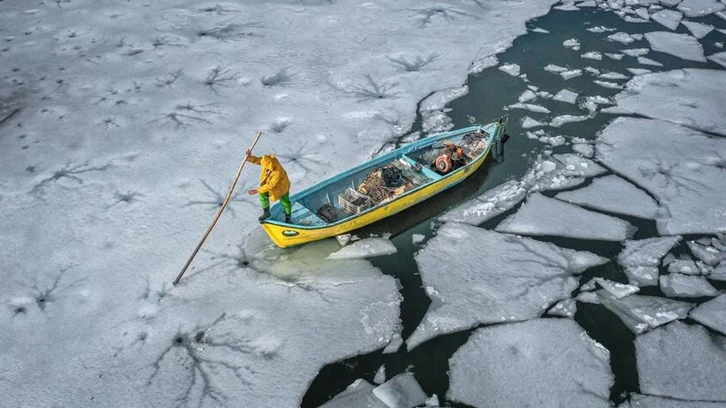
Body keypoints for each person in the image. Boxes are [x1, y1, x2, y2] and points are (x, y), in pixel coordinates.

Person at [246, 149, 292, 223]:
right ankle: (266, 212)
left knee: (285, 201)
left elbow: (271, 185)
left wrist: (256, 190)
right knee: (262, 194)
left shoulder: (278, 172)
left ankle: (288, 218)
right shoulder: (266, 160)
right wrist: (249, 157)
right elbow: (258, 160)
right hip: (270, 186)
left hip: (282, 187)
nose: (266, 169)